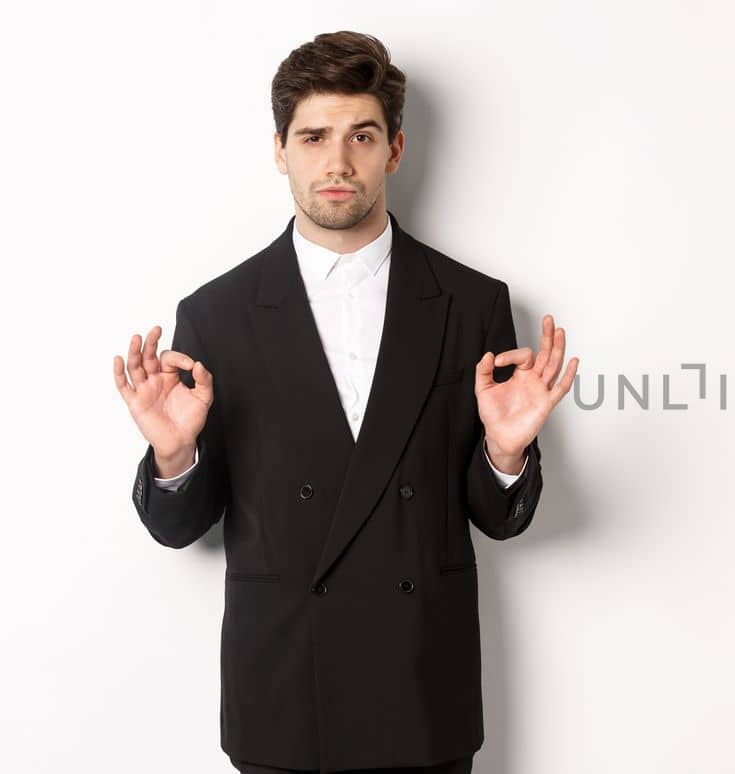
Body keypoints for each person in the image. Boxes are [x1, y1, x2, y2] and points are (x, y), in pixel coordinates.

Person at [111, 31, 577, 773]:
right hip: (287, 696)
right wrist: (173, 455)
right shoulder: (218, 315)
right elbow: (180, 529)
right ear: (280, 150)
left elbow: (496, 520)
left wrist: (505, 453)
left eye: (361, 135)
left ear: (393, 149)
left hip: (422, 693)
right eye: (314, 136)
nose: (336, 161)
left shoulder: (471, 303)